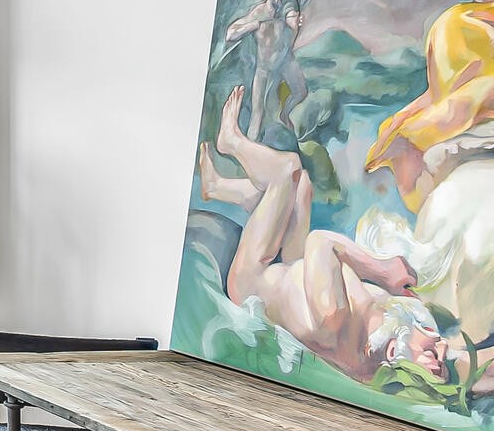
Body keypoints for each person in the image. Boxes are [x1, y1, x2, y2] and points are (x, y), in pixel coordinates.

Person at [198, 86, 466, 387]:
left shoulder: (334, 318)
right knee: (303, 188)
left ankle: (231, 143)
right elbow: (453, 355)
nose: (438, 341)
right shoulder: (381, 336)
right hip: (294, 268)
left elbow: (322, 242)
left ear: (393, 352)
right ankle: (218, 187)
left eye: (433, 351)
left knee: (288, 171)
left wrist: (382, 271)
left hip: (253, 277)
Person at [224, 0, 308, 139]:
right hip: (263, 68)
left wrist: (297, 23)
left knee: (301, 91)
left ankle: (285, 114)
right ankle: (250, 147)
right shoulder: (258, 12)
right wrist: (252, 25)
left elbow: (291, 26)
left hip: (285, 60)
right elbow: (230, 34)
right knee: (257, 113)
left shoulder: (284, 12)